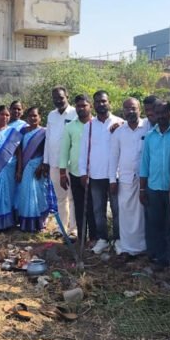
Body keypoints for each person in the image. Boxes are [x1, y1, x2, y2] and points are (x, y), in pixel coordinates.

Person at [79, 91, 124, 254]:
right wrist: (83, 172)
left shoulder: (120, 122)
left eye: (103, 101)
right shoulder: (89, 126)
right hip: (96, 175)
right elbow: (84, 151)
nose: (101, 104)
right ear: (94, 104)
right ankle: (103, 239)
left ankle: (119, 240)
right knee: (98, 210)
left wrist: (122, 127)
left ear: (109, 102)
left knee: (118, 210)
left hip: (115, 176)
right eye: (97, 102)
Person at [109, 97, 148, 260]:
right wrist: (112, 180)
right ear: (123, 111)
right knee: (124, 214)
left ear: (140, 110)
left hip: (143, 180)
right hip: (124, 179)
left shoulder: (147, 127)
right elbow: (113, 157)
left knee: (142, 214)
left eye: (134, 108)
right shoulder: (119, 132)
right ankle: (127, 248)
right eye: (127, 109)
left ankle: (143, 247)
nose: (130, 111)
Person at [140, 99, 170, 271]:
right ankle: (158, 257)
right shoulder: (149, 136)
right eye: (157, 113)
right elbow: (144, 164)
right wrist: (142, 188)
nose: (161, 116)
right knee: (155, 224)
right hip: (153, 187)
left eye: (164, 112)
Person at [59, 95, 96, 243]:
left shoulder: (98, 125)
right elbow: (64, 151)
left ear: (90, 106)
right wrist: (62, 173)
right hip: (75, 173)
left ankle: (95, 238)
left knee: (94, 207)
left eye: (84, 105)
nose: (81, 108)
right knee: (79, 206)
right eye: (78, 106)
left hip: (95, 174)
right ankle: (82, 237)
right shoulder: (70, 127)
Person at [44, 86, 77, 236]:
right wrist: (46, 161)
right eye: (55, 98)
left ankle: (74, 229)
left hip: (71, 163)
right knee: (60, 197)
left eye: (61, 97)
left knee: (72, 197)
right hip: (54, 163)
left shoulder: (76, 113)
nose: (58, 100)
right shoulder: (51, 115)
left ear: (67, 96)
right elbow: (48, 138)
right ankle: (61, 228)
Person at [16, 107, 50, 232]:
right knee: (26, 194)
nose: (32, 118)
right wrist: (19, 170)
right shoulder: (23, 131)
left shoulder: (45, 132)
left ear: (40, 117)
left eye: (35, 116)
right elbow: (19, 152)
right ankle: (27, 223)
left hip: (38, 168)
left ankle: (40, 222)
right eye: (30, 116)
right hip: (25, 168)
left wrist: (41, 165)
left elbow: (48, 150)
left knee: (39, 194)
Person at [0, 105, 19, 230]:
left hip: (10, 167)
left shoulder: (13, 133)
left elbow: (19, 152)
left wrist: (19, 169)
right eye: (2, 114)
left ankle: (7, 223)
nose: (4, 117)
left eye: (7, 115)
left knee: (7, 194)